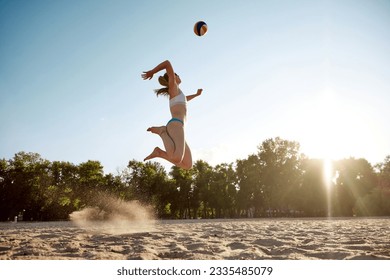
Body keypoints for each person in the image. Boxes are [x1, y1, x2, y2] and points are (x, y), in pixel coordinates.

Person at [141, 60, 202, 170]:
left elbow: (185, 100)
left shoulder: (178, 93)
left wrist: (196, 95)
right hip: (175, 125)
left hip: (179, 127)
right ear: (172, 77)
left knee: (187, 165)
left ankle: (159, 153)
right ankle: (162, 131)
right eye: (176, 75)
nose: (178, 76)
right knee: (177, 158)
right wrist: (152, 71)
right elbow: (167, 63)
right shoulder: (173, 86)